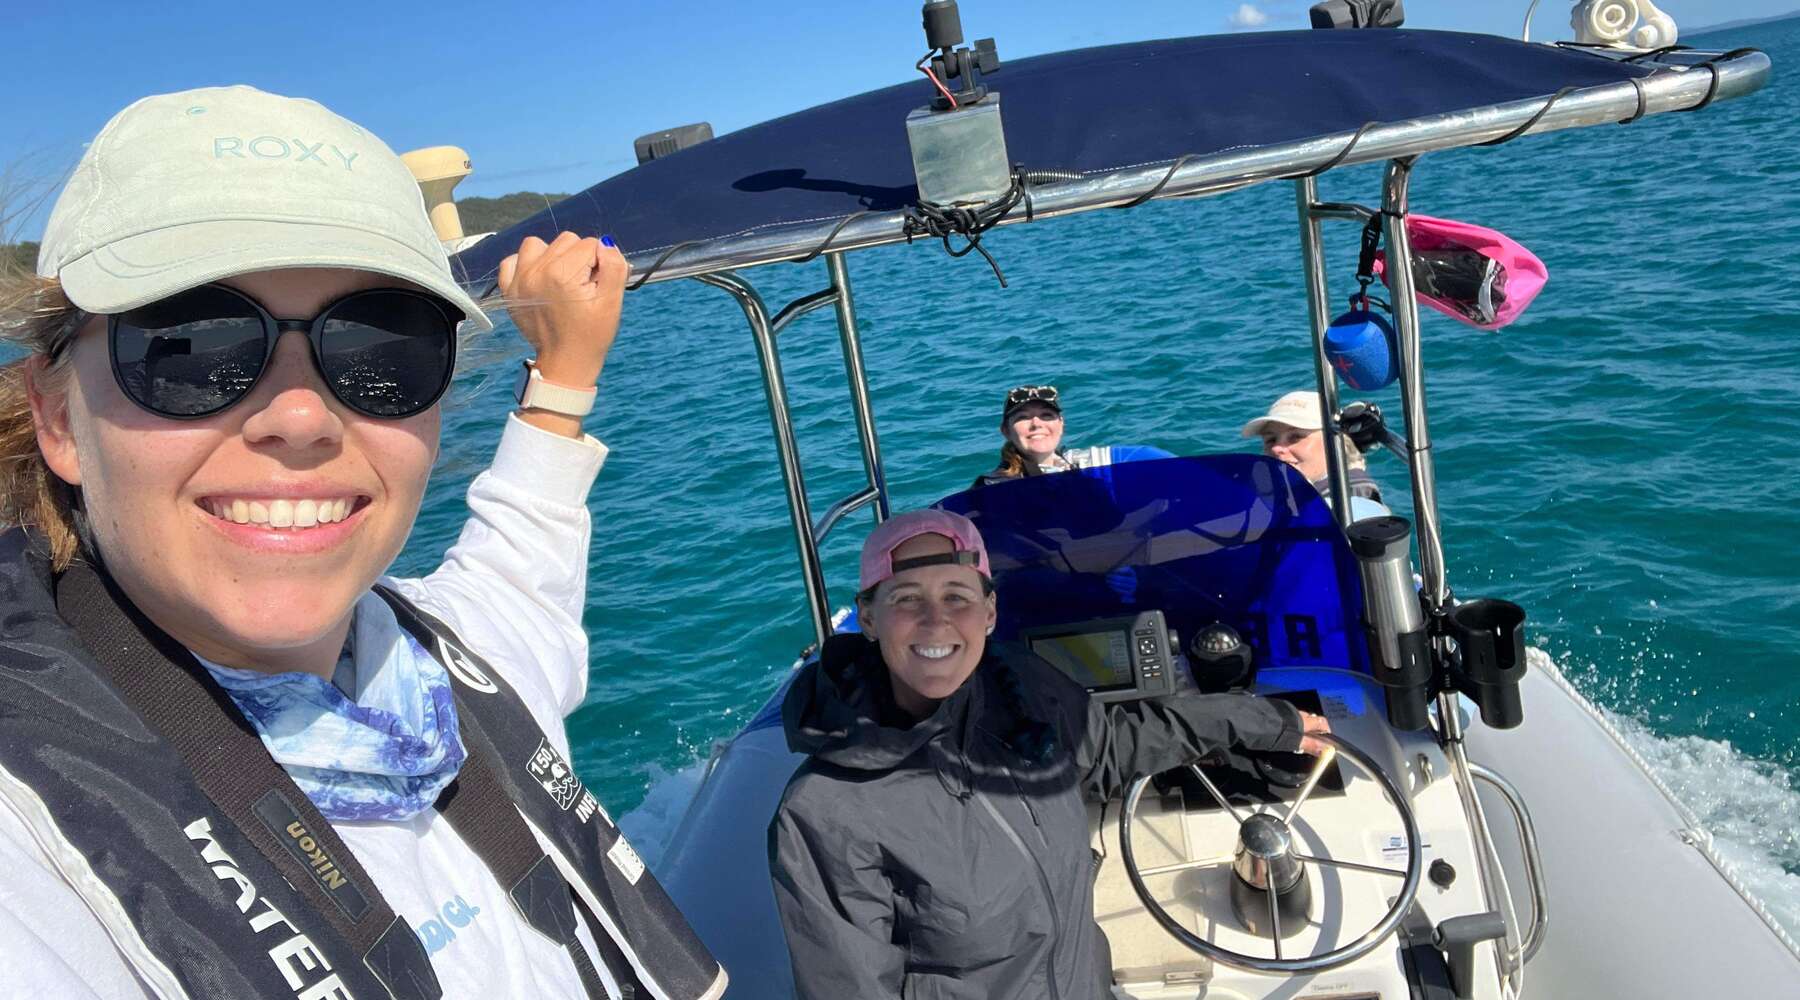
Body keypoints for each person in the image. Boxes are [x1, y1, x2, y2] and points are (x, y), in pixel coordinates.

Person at [0, 86, 723, 1000]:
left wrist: (566, 372)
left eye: (382, 351)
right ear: (58, 416)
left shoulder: (458, 661)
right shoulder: (29, 856)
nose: (301, 417)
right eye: (187, 346)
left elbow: (525, 550)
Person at [768, 509, 1329, 1000]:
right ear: (868, 618)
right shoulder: (825, 812)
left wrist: (1262, 721)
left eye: (957, 597)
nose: (936, 621)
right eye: (907, 599)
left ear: (989, 612)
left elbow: (1115, 746)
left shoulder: (1020, 688)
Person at [1243, 389, 1388, 519]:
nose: (1276, 448)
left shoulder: (1351, 499)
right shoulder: (1292, 496)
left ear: (1334, 443)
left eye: (1295, 437)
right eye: (1271, 440)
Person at [972, 383, 1123, 488]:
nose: (1036, 423)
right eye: (1023, 417)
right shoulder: (990, 488)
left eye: (1046, 415)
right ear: (1006, 431)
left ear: (1061, 424)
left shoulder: (1092, 467)